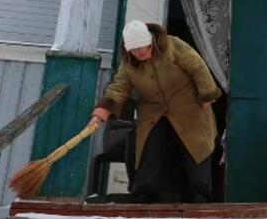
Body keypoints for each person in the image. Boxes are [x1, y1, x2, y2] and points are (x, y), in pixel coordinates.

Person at [89, 20, 221, 203]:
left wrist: (206, 94)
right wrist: (100, 113)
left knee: (196, 146)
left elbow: (197, 67)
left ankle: (201, 192)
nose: (140, 53)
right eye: (134, 50)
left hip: (187, 105)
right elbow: (118, 88)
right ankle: (144, 191)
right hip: (152, 109)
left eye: (143, 47)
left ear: (150, 41)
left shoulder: (173, 45)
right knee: (148, 145)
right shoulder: (128, 64)